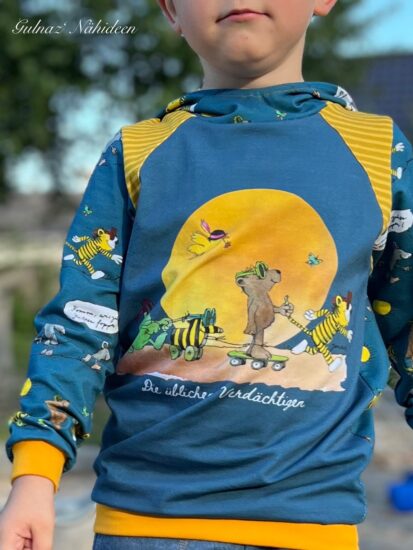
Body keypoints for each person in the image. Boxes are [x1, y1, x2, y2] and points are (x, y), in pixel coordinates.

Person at [1, 1, 413, 549]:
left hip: (313, 525)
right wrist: (34, 475)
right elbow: (80, 326)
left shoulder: (380, 153)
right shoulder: (136, 154)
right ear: (171, 9)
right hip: (143, 524)